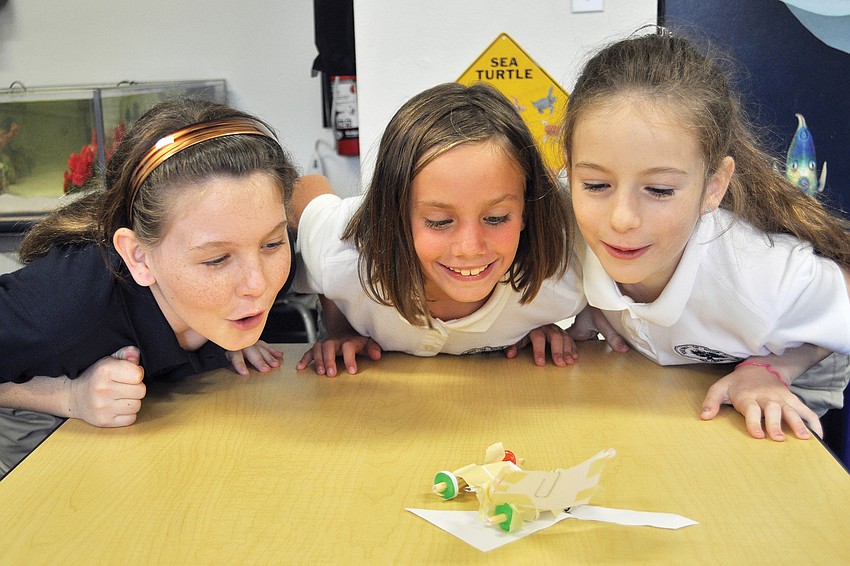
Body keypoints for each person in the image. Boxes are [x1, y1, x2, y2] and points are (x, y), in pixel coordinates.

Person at [562, 30, 850, 442]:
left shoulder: (762, 276)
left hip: (783, 372)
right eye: (595, 185)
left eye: (659, 190)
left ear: (713, 187)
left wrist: (770, 369)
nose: (622, 220)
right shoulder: (562, 225)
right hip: (674, 377)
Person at [0, 98, 298, 477]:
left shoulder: (273, 270)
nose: (257, 285)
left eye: (272, 243)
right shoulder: (67, 307)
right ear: (139, 257)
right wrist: (69, 397)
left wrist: (234, 330)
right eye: (216, 260)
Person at [291, 82, 586, 377]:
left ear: (526, 210)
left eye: (496, 218)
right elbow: (304, 189)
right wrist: (339, 325)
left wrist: (537, 323)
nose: (470, 247)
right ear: (396, 216)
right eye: (439, 222)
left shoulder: (563, 282)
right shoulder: (346, 258)